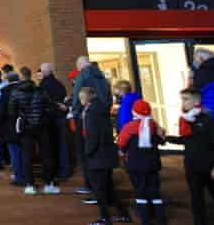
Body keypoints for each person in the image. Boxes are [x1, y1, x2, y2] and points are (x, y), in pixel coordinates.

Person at [178, 87, 214, 225]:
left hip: (209, 167)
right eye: (182, 99)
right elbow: (188, 140)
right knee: (197, 201)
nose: (183, 103)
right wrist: (165, 137)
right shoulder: (186, 120)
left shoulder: (208, 119)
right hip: (192, 168)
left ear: (197, 100)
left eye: (186, 99)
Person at [81, 86, 131, 225]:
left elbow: (92, 135)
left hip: (97, 156)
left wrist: (88, 152)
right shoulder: (102, 108)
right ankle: (123, 214)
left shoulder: (91, 112)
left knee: (100, 189)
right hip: (107, 154)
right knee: (108, 186)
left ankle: (105, 218)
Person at [10, 66, 60, 195]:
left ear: (21, 76)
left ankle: (30, 185)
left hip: (26, 127)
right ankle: (48, 184)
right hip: (42, 126)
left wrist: (20, 118)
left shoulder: (16, 92)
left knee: (27, 156)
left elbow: (11, 111)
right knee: (46, 155)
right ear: (30, 75)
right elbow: (49, 105)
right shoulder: (40, 90)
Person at [117, 100, 167, 225]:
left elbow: (121, 143)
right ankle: (161, 220)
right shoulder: (154, 126)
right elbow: (162, 140)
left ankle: (145, 220)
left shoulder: (129, 127)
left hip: (135, 165)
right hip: (152, 165)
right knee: (155, 193)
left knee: (140, 193)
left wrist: (121, 151)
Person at [71, 55, 112, 197]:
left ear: (81, 64)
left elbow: (77, 96)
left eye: (77, 65)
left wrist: (75, 112)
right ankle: (105, 187)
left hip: (86, 116)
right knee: (100, 150)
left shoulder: (83, 75)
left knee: (85, 151)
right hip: (103, 116)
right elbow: (109, 97)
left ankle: (91, 186)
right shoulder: (102, 76)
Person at [39, 62, 72, 180]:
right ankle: (65, 170)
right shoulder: (59, 83)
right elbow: (65, 98)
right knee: (63, 145)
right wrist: (63, 106)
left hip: (51, 119)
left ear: (44, 72)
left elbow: (43, 101)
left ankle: (56, 171)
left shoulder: (43, 84)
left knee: (52, 146)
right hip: (61, 117)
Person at [0, 71, 23, 184]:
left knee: (14, 151)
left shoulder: (5, 92)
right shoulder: (26, 89)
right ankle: (26, 175)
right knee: (24, 151)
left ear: (7, 80)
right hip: (26, 124)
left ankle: (18, 176)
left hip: (10, 125)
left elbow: (1, 111)